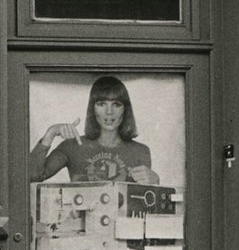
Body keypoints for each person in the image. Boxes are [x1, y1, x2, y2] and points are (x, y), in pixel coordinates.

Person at [29, 75, 160, 184]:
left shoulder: (140, 151)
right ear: (93, 108)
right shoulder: (72, 146)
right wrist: (50, 133)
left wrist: (155, 183)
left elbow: (143, 203)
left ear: (125, 110)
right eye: (101, 104)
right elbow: (31, 177)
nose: (109, 112)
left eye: (116, 104)